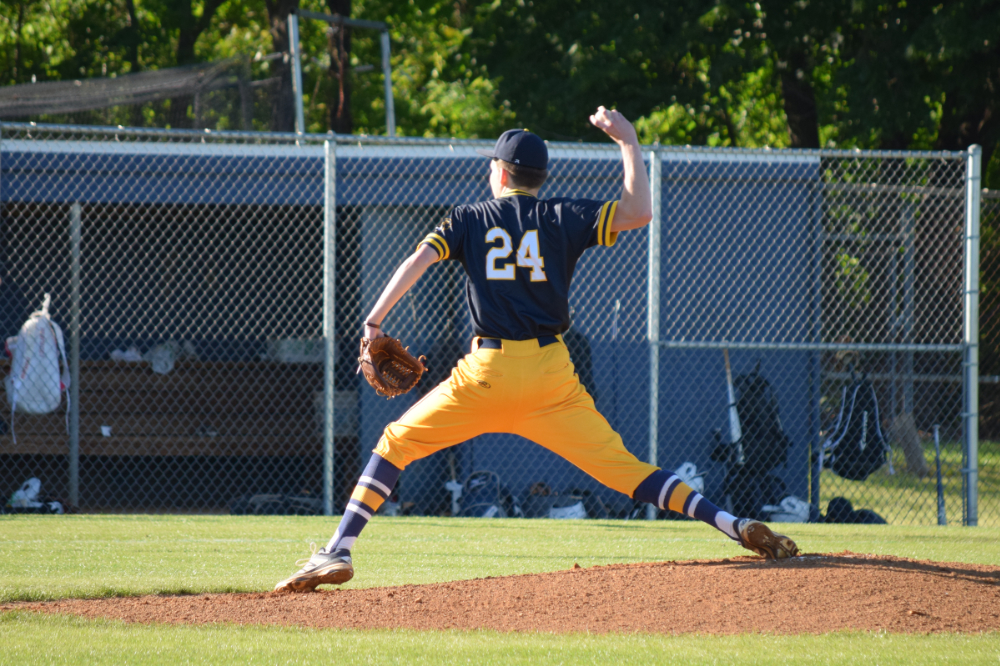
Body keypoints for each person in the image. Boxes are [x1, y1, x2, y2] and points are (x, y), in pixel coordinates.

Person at [274, 107, 798, 592]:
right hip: (551, 377)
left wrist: (373, 320)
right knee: (628, 471)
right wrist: (629, 141)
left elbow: (418, 260)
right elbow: (639, 212)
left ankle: (338, 549)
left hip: (487, 371)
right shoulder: (562, 215)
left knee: (394, 444)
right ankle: (733, 524)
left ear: (500, 173)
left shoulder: (468, 218)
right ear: (540, 178)